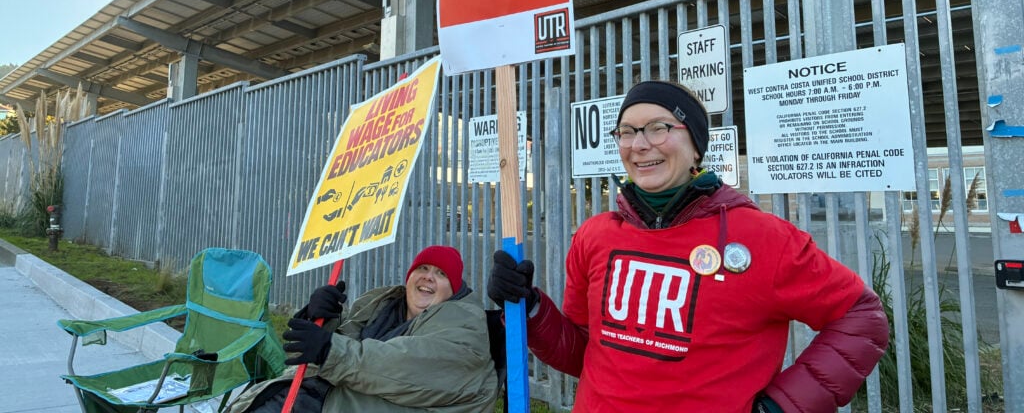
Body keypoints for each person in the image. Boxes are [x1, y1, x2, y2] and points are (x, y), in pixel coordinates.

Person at [488, 80, 889, 413]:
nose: (639, 144)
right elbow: (583, 353)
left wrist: (782, 407)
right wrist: (529, 307)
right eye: (626, 131)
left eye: (658, 127)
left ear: (696, 145)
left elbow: (861, 317)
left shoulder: (764, 238)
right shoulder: (594, 236)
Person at [228, 245, 498, 413]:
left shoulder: (464, 324)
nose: (428, 276)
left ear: (454, 289)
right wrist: (321, 318)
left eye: (441, 274)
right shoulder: (382, 304)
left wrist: (329, 350)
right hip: (317, 396)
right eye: (423, 268)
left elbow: (403, 366)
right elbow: (341, 344)